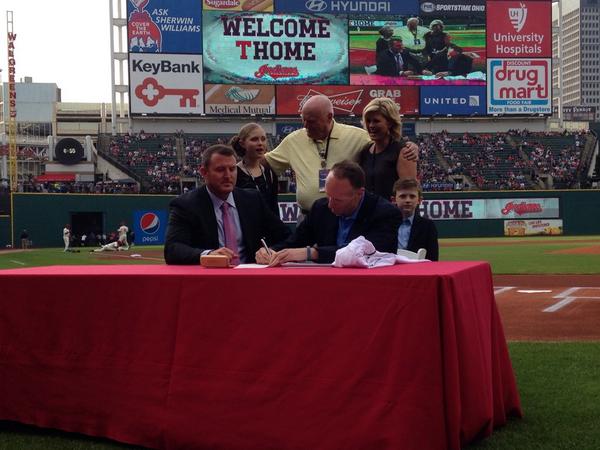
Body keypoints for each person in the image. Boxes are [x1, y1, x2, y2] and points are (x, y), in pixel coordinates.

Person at [264, 95, 419, 213]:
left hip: (364, 216)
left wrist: (411, 147)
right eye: (303, 120)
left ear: (329, 117)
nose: (306, 126)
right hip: (310, 216)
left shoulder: (360, 138)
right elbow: (264, 163)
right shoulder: (294, 140)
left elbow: (409, 191)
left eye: (311, 121)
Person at [164, 144, 290, 265]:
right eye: (220, 170)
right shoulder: (186, 205)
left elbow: (287, 236)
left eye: (232, 169)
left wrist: (270, 250)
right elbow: (172, 249)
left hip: (249, 275)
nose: (228, 175)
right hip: (211, 276)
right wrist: (208, 255)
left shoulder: (253, 200)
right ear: (204, 172)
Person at [257, 161, 401, 265]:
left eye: (337, 200)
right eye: (328, 196)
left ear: (359, 193)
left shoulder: (385, 214)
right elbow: (295, 241)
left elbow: (368, 252)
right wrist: (271, 251)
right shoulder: (321, 208)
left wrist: (312, 252)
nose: (330, 204)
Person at [358, 97, 417, 199]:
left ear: (390, 123)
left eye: (376, 121)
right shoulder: (365, 151)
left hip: (390, 209)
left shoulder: (403, 152)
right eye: (368, 121)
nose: (371, 125)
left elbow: (409, 194)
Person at [230, 123, 279, 215]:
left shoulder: (270, 173)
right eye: (254, 139)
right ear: (242, 143)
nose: (260, 143)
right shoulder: (234, 173)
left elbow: (274, 207)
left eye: (263, 139)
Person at [393, 178, 439, 261]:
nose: (408, 200)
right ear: (394, 200)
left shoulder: (428, 226)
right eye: (403, 196)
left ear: (419, 200)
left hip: (418, 269)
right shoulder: (384, 224)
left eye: (412, 196)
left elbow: (433, 259)